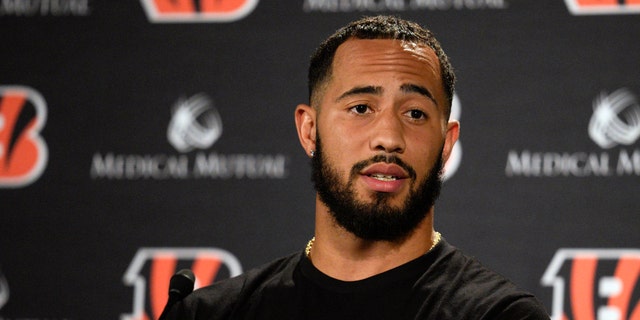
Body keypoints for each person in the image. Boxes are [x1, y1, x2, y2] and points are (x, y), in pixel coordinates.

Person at [165, 15, 549, 319]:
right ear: (309, 130)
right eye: (361, 108)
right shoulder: (212, 313)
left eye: (415, 113)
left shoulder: (500, 315)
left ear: (446, 144)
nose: (388, 137)